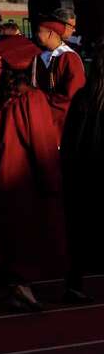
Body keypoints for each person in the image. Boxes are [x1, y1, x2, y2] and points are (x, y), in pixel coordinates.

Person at [0, 37, 67, 311]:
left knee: (3, 231)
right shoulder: (33, 98)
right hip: (23, 177)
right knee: (25, 234)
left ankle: (9, 284)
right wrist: (52, 179)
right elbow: (41, 142)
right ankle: (21, 285)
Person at [60, 47, 104, 304]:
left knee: (80, 231)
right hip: (93, 170)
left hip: (82, 173)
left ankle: (74, 284)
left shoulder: (83, 98)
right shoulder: (85, 100)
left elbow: (70, 140)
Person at [34, 18, 86, 135]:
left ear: (51, 33)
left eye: (39, 31)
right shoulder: (40, 57)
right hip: (41, 113)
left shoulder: (69, 58)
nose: (36, 34)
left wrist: (41, 102)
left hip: (62, 120)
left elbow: (73, 94)